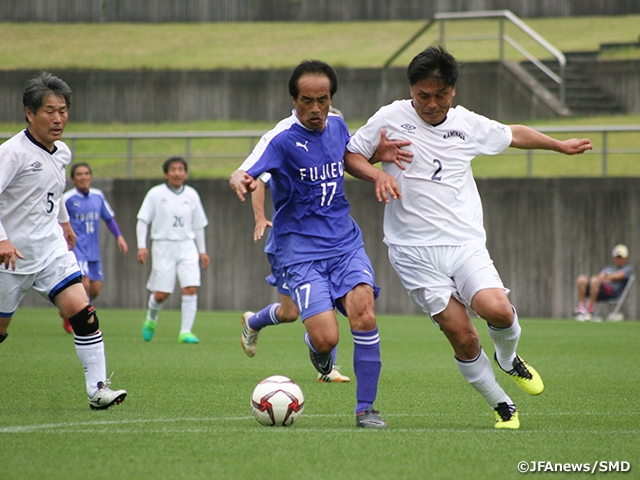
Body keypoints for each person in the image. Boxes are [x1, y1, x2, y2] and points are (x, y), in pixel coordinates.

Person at [344, 45, 593, 429]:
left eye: (439, 95)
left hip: (463, 243)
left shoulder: (466, 123)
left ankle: (508, 358)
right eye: (422, 95)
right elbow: (351, 155)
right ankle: (503, 405)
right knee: (462, 336)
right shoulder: (389, 118)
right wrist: (377, 172)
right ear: (411, 90)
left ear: (453, 92)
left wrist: (559, 146)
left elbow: (513, 134)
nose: (430, 104)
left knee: (498, 309)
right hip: (412, 251)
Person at [230, 59, 389, 428]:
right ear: (293, 99)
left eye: (323, 99)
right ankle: (311, 344)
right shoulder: (280, 138)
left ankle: (366, 409)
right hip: (299, 250)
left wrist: (379, 157)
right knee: (325, 338)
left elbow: (346, 159)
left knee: (364, 314)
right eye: (307, 101)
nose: (316, 109)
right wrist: (239, 180)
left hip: (345, 241)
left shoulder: (337, 124)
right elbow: (246, 170)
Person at [0, 72, 127, 410]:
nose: (58, 119)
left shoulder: (62, 153)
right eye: (49, 111)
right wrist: (2, 240)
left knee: (83, 313)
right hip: (11, 258)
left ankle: (98, 390)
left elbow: (52, 195)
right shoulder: (11, 153)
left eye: (63, 110)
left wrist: (65, 225)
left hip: (52, 251)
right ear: (29, 113)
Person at [137, 156, 210, 344]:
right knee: (162, 294)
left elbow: (199, 225)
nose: (177, 173)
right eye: (173, 170)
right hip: (163, 246)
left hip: (187, 245)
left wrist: (202, 251)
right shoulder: (155, 194)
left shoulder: (192, 195)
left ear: (185, 173)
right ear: (166, 173)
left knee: (190, 288)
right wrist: (141, 246)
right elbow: (143, 220)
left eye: (180, 170)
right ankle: (151, 319)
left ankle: (185, 332)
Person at [60, 162, 128, 333]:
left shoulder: (98, 196)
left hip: (93, 251)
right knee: (85, 285)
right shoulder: (67, 199)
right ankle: (86, 324)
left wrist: (119, 237)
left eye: (86, 174)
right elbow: (58, 221)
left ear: (91, 176)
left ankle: (68, 309)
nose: (84, 177)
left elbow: (109, 218)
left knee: (96, 288)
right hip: (76, 250)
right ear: (73, 179)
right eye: (79, 174)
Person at [574, 244, 632, 321]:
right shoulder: (608, 268)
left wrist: (607, 277)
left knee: (594, 280)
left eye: (621, 257)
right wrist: (607, 278)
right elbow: (600, 277)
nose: (619, 259)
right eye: (617, 257)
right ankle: (581, 306)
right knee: (581, 279)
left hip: (612, 292)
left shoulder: (627, 269)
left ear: (626, 258)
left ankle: (590, 309)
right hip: (600, 289)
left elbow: (618, 276)